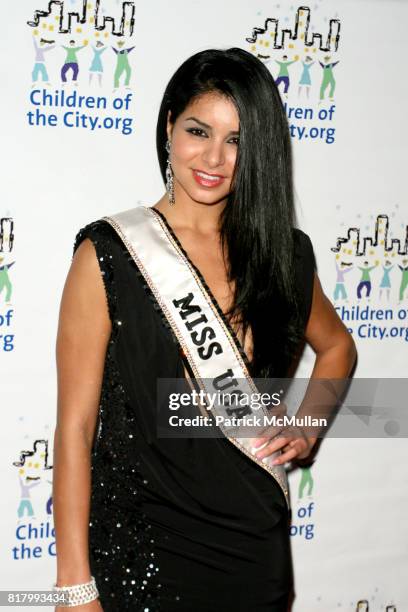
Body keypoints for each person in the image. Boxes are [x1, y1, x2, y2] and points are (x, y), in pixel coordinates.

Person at [53, 48, 356, 611]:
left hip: (254, 554)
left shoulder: (284, 257)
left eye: (237, 140)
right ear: (169, 126)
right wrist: (74, 584)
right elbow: (74, 427)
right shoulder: (110, 256)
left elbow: (337, 347)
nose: (215, 157)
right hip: (141, 552)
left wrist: (308, 425)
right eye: (199, 130)